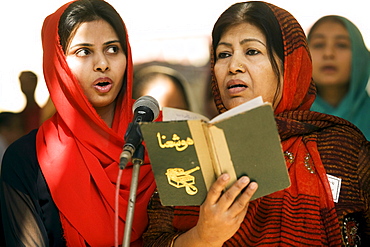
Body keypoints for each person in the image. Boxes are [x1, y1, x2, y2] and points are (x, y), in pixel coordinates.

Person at [143, 1, 370, 246]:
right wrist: (203, 236)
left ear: (289, 67)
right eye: (224, 54)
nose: (233, 66)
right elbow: (154, 240)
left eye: (252, 51)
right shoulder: (186, 150)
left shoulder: (343, 147)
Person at [0, 0, 157, 246]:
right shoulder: (26, 159)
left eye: (113, 49)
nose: (102, 63)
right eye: (83, 51)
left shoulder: (164, 138)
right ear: (58, 62)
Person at [307, 15, 370, 139]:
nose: (328, 53)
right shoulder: (287, 121)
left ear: (360, 56)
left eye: (341, 45)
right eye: (319, 44)